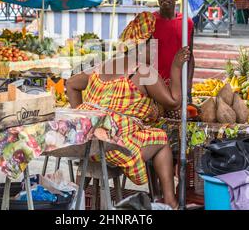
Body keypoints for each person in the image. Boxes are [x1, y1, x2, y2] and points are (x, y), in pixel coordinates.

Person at [66, 12, 191, 209]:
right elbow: (174, 102)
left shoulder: (102, 66)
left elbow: (71, 83)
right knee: (161, 138)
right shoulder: (143, 71)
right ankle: (170, 200)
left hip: (87, 144)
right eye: (154, 44)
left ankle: (156, 196)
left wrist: (84, 120)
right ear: (144, 44)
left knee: (145, 133)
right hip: (116, 147)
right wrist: (176, 67)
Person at [151, 0, 195, 110]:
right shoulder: (149, 21)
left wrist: (187, 89)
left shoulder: (187, 23)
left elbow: (190, 57)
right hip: (154, 86)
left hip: (178, 86)